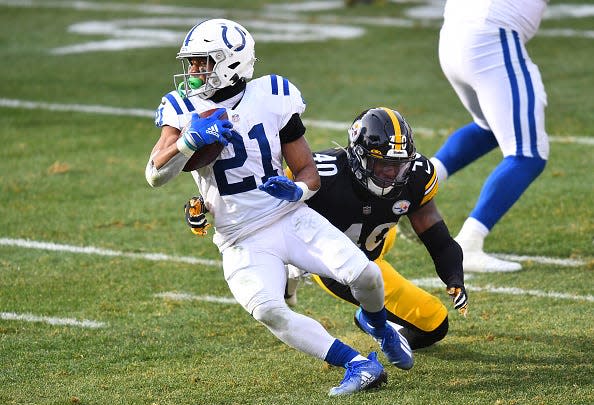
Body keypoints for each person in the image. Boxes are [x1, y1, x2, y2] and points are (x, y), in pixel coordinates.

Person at [145, 18, 413, 396]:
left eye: (203, 62)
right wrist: (188, 141)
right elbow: (155, 173)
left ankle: (378, 324)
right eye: (192, 62)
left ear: (231, 63)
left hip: (289, 217)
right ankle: (357, 363)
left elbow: (308, 172)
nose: (193, 71)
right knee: (270, 310)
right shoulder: (182, 108)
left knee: (366, 276)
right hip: (240, 237)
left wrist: (296, 191)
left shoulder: (272, 94)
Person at [186, 107, 469, 351]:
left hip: (375, 236)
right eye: (382, 164)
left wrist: (454, 275)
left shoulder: (417, 175)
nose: (391, 174)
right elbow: (255, 195)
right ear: (358, 156)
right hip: (339, 263)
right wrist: (206, 203)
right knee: (435, 324)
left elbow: (439, 240)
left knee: (384, 229)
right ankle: (365, 314)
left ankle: (299, 277)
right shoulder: (324, 174)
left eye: (399, 164)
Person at [430, 0, 549, 272]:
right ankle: (469, 242)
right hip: (491, 35)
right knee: (528, 153)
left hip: (455, 33)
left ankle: (412, 188)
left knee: (490, 127)